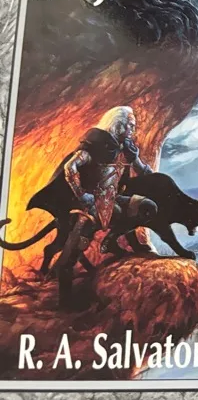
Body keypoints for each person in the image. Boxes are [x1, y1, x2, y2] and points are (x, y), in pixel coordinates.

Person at [28, 106, 156, 309]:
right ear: (118, 125)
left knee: (146, 207)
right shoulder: (95, 144)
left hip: (112, 198)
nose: (133, 129)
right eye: (130, 125)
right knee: (72, 254)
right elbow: (70, 167)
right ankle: (65, 301)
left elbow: (141, 169)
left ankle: (110, 241)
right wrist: (82, 195)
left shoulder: (126, 147)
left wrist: (159, 180)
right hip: (89, 204)